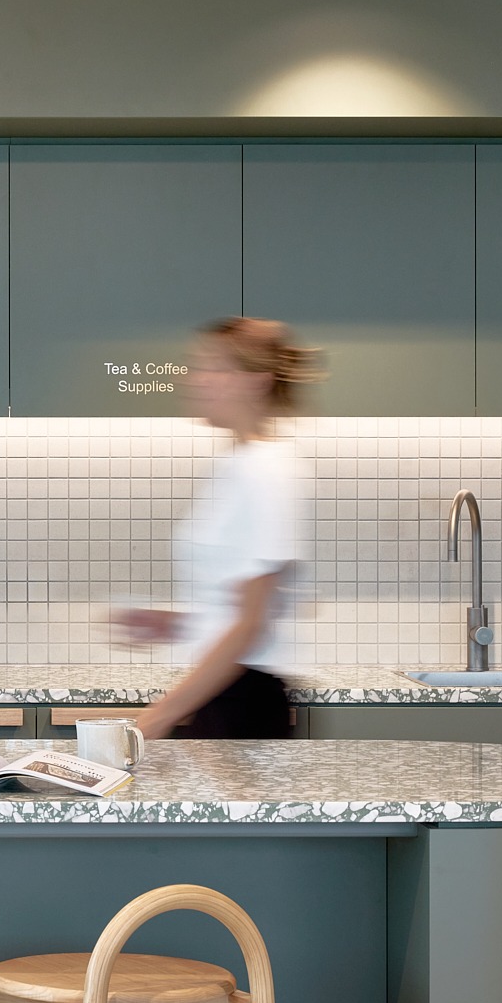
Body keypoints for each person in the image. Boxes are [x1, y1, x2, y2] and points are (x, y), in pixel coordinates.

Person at [123, 317, 321, 740]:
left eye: (215, 367)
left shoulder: (268, 471)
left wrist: (153, 719)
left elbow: (251, 625)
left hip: (243, 703)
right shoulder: (237, 465)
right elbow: (234, 606)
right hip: (221, 693)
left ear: (256, 381)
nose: (195, 378)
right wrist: (176, 623)